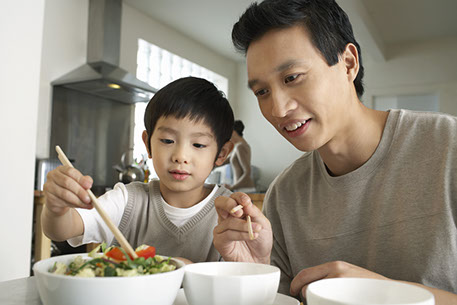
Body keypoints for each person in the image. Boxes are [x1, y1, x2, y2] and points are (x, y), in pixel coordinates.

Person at [212, 0, 457, 303]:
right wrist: (257, 274)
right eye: (262, 92)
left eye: (292, 78)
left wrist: (386, 294)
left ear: (348, 63)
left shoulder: (449, 146)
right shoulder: (285, 194)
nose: (278, 109)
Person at [42, 76, 235, 263]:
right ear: (148, 144)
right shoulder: (127, 201)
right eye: (167, 140)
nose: (180, 156)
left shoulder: (229, 212)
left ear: (221, 153)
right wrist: (56, 209)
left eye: (198, 144)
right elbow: (62, 229)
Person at [223, 120, 256, 192]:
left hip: (245, 189)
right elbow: (223, 161)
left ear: (233, 132)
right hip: (241, 189)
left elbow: (247, 171)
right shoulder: (238, 146)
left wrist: (232, 187)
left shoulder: (240, 147)